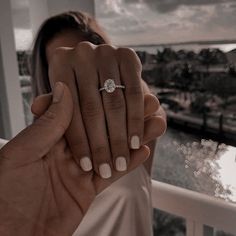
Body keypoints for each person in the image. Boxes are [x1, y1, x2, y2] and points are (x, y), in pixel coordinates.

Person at [0, 11, 166, 236]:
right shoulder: (34, 162)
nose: (82, 78)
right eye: (65, 72)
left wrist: (124, 82)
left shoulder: (133, 130)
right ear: (46, 81)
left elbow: (151, 106)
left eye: (89, 65)